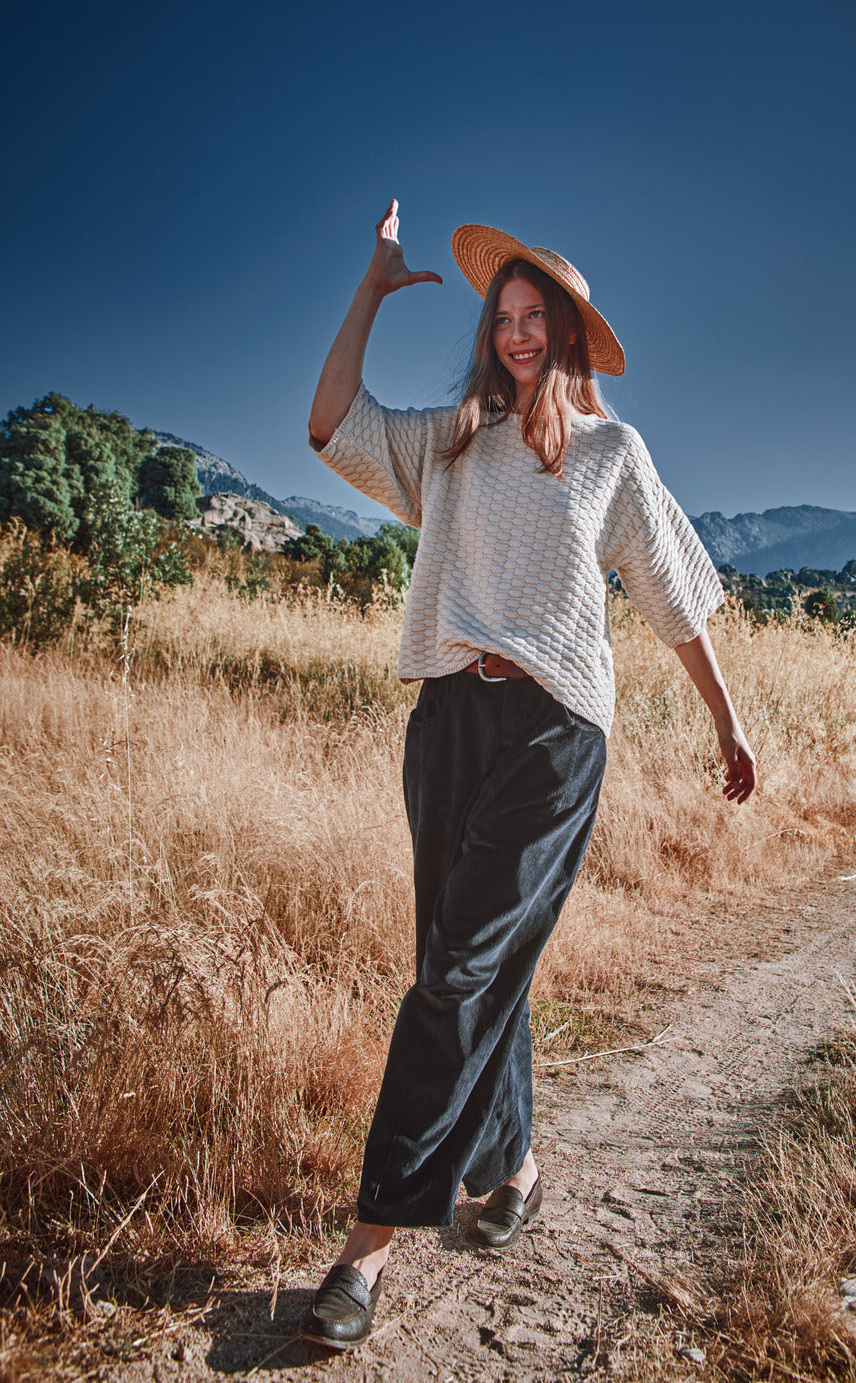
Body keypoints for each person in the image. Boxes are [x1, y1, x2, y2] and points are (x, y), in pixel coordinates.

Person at [300, 200, 756, 1349]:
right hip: (448, 718)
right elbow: (329, 424)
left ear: (567, 334)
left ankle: (367, 1247)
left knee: (457, 970)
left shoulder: (611, 454)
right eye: (501, 316)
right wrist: (370, 288)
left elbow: (672, 599)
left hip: (555, 735)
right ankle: (516, 1168)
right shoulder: (452, 439)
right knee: (459, 960)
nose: (513, 331)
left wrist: (728, 722)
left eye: (532, 316)